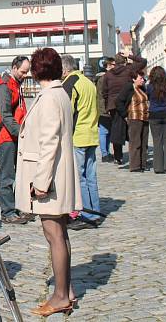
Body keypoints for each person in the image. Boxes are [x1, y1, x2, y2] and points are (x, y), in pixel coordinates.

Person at [15, 47, 82, 317]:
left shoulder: (51, 97)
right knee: (59, 234)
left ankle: (60, 295)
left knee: (54, 234)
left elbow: (49, 142)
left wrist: (41, 182)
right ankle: (66, 290)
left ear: (36, 70)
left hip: (50, 177)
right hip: (57, 174)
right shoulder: (59, 94)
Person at [61, 55, 101, 230]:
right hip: (91, 133)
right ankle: (95, 211)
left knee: (80, 178)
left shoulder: (70, 84)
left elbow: (66, 113)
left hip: (78, 135)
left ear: (65, 69)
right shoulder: (88, 82)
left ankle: (86, 214)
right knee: (91, 176)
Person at [0, 55, 31, 224]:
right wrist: (21, 133)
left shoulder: (15, 84)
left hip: (14, 135)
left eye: (27, 72)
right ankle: (7, 211)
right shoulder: (4, 87)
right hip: (6, 136)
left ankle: (15, 207)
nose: (25, 75)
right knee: (7, 175)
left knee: (18, 174)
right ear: (14, 68)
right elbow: (5, 116)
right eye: (23, 71)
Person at [101, 52, 147, 165]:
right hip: (128, 103)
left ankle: (118, 157)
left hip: (113, 105)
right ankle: (136, 156)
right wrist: (130, 55)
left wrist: (108, 104)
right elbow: (143, 62)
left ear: (114, 62)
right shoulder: (129, 70)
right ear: (125, 61)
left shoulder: (108, 75)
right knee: (133, 130)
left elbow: (104, 92)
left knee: (116, 130)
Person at [116, 71, 149, 172]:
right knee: (135, 142)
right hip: (134, 118)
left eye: (143, 79)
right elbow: (119, 101)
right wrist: (125, 115)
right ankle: (135, 166)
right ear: (134, 79)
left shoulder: (142, 88)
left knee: (144, 142)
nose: (142, 80)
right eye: (140, 78)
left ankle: (143, 164)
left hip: (145, 118)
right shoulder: (129, 88)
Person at [146, 66, 166, 174]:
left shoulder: (149, 87)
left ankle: (158, 167)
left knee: (157, 141)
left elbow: (148, 98)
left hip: (154, 115)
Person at [94, 58, 115, 162]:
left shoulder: (106, 77)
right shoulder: (103, 78)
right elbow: (103, 94)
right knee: (104, 131)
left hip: (105, 107)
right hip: (103, 108)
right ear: (108, 66)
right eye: (112, 65)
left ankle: (106, 152)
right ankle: (104, 154)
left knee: (107, 132)